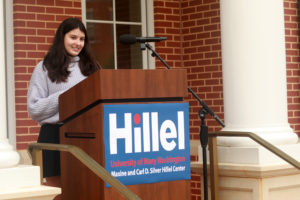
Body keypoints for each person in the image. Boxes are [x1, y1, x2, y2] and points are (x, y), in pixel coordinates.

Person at [27, 17, 101, 190]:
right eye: (73, 37)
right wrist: (66, 97)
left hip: (88, 136)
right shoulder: (44, 67)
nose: (78, 43)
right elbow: (34, 108)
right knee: (57, 191)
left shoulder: (93, 67)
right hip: (54, 136)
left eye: (82, 39)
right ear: (62, 38)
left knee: (84, 189)